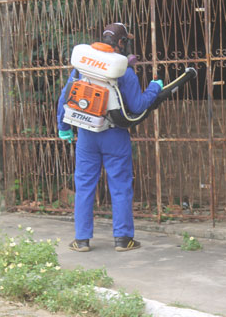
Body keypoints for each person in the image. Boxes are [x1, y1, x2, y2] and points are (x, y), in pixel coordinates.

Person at [56, 23, 163, 252]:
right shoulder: (124, 71)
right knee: (120, 186)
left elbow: (66, 96)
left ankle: (82, 240)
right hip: (115, 134)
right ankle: (123, 239)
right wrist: (155, 87)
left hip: (87, 133)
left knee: (84, 185)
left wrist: (63, 126)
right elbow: (137, 106)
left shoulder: (83, 66)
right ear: (121, 43)